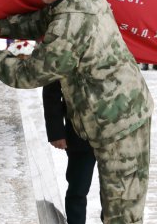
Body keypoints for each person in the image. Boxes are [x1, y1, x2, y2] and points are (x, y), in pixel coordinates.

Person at [0, 0, 154, 223]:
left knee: (122, 211)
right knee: (119, 204)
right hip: (119, 110)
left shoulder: (69, 25)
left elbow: (29, 74)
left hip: (119, 122)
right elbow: (46, 18)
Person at [43, 81, 102, 224]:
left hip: (115, 133)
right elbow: (51, 90)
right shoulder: (63, 58)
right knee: (78, 188)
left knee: (114, 190)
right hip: (80, 132)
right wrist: (56, 132)